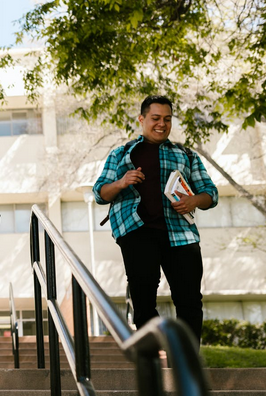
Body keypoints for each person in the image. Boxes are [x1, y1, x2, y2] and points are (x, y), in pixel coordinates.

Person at [93, 95, 218, 344]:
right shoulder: (121, 154)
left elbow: (210, 193)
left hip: (181, 234)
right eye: (155, 118)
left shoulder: (186, 155)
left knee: (190, 300)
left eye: (167, 119)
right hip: (137, 231)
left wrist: (194, 200)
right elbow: (100, 193)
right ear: (142, 119)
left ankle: (187, 361)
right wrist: (121, 182)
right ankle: (152, 361)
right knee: (143, 298)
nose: (162, 124)